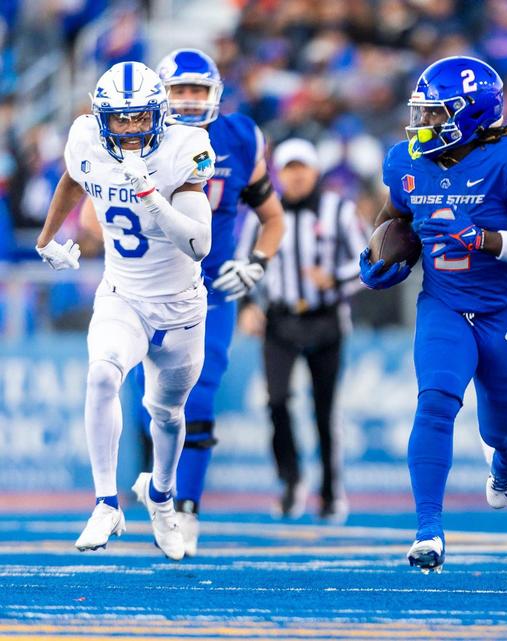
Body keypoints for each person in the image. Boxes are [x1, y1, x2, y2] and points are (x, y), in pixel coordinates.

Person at [358, 56, 507, 573]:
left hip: (503, 311)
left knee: (501, 431)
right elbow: (393, 221)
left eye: (435, 113)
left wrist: (485, 240)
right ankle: (429, 530)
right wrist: (377, 259)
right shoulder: (406, 163)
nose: (422, 123)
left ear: (469, 115)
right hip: (444, 303)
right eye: (421, 111)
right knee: (436, 402)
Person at [35, 61, 215, 560]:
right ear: (101, 118)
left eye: (140, 118)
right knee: (101, 376)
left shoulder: (187, 147)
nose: (131, 129)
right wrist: (48, 236)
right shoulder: (85, 138)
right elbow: (75, 177)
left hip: (180, 306)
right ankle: (105, 501)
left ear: (158, 115)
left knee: (167, 412)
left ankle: (160, 496)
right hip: (123, 295)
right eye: (120, 119)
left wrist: (150, 195)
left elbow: (200, 243)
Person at [149, 47, 285, 556]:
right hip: (150, 285)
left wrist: (256, 264)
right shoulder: (139, 138)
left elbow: (273, 218)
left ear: (216, 95)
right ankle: (159, 487)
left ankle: (187, 507)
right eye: (178, 90)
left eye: (196, 91)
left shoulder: (240, 137)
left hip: (209, 290)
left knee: (200, 394)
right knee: (152, 400)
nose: (187, 101)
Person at [234, 138, 364, 524]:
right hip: (280, 319)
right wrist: (247, 306)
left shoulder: (339, 210)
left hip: (326, 319)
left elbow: (367, 262)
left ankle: (329, 491)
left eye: (301, 167)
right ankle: (291, 482)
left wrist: (334, 279)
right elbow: (244, 265)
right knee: (276, 402)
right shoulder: (263, 212)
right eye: (288, 168)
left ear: (315, 171)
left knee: (324, 410)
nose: (295, 175)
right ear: (279, 173)